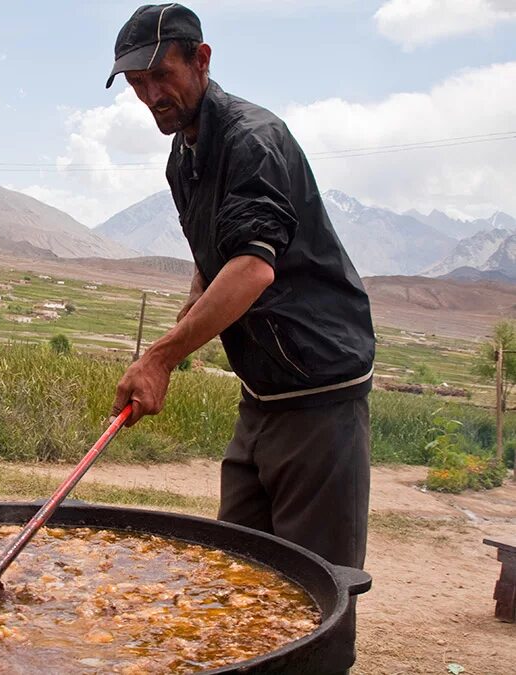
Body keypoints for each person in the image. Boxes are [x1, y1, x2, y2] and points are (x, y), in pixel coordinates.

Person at [106, 5, 375, 672]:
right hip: (263, 393)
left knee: (315, 592)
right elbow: (214, 255)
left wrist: (162, 356)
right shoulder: (184, 156)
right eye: (137, 84)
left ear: (202, 59)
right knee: (238, 575)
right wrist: (175, 337)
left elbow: (253, 266)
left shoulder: (254, 139)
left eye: (160, 76)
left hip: (320, 394)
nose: (150, 95)